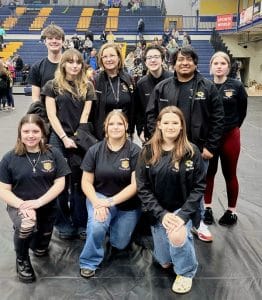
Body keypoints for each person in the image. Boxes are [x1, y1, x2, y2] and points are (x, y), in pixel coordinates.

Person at [146, 46, 224, 242]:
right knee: (167, 186)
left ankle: (198, 223)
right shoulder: (163, 87)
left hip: (197, 150)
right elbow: (151, 116)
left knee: (196, 187)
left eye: (189, 59)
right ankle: (168, 220)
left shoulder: (207, 87)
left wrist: (210, 147)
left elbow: (218, 118)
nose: (185, 63)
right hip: (166, 149)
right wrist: (156, 142)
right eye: (180, 59)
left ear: (196, 63)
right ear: (174, 63)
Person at [136, 106, 206, 294]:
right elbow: (142, 187)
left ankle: (186, 271)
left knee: (176, 234)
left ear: (182, 126)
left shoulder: (192, 151)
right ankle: (179, 244)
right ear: (159, 125)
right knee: (164, 262)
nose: (170, 126)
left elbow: (199, 186)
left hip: (181, 211)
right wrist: (161, 214)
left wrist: (182, 215)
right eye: (166, 122)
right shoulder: (148, 151)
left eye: (175, 122)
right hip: (159, 212)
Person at [0, 114, 71, 283]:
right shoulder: (9, 158)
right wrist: (23, 206)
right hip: (20, 205)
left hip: (47, 205)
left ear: (42, 133)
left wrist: (39, 202)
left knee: (40, 248)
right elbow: (3, 190)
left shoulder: (53, 153)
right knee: (27, 226)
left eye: (35, 131)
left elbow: (60, 184)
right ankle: (22, 259)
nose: (30, 135)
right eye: (26, 131)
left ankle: (34, 241)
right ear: (20, 133)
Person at [41, 48, 97, 240]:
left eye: (78, 62)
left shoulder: (87, 86)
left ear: (82, 65)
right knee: (60, 182)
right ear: (63, 64)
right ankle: (63, 222)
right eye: (70, 61)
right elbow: (51, 115)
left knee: (80, 181)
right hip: (58, 137)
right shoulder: (52, 85)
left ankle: (81, 221)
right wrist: (64, 138)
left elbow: (85, 115)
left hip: (80, 135)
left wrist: (76, 137)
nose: (74, 65)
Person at [79, 110, 141, 278]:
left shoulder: (135, 151)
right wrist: (97, 202)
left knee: (119, 244)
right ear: (105, 127)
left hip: (127, 204)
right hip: (100, 197)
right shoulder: (94, 150)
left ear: (126, 126)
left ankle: (113, 226)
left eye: (119, 123)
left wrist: (110, 202)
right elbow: (86, 182)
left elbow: (135, 185)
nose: (115, 127)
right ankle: (89, 261)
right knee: (98, 224)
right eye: (111, 123)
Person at [203, 51, 247, 226]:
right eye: (216, 63)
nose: (219, 66)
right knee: (208, 174)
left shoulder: (237, 86)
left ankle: (231, 210)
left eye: (223, 63)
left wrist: (232, 127)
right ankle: (207, 208)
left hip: (230, 136)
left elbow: (242, 112)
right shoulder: (205, 85)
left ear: (228, 67)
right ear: (211, 67)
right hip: (210, 138)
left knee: (230, 174)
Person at [90, 43, 135, 140]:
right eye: (105, 57)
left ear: (119, 57)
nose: (108, 59)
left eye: (112, 55)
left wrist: (131, 131)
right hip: (102, 135)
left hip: (125, 133)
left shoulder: (128, 79)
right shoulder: (95, 81)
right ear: (101, 60)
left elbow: (134, 107)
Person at [135, 45, 173, 143]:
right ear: (145, 62)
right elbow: (138, 111)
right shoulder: (141, 84)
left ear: (162, 59)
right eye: (149, 58)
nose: (153, 60)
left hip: (171, 132)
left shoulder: (173, 80)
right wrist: (140, 131)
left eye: (156, 57)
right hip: (150, 135)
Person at [27, 24, 65, 103]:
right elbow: (35, 98)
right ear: (45, 42)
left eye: (57, 38)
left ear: (63, 42)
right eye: (50, 38)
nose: (54, 41)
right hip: (45, 113)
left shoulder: (72, 66)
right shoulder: (37, 67)